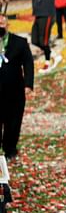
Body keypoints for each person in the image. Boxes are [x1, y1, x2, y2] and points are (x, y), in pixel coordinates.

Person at [0, 14, 34, 160]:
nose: (0, 24)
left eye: (2, 22)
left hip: (14, 90)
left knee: (13, 122)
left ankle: (10, 149)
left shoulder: (19, 42)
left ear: (8, 25)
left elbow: (28, 63)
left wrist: (28, 84)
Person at [32, 0, 61, 74]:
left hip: (47, 14)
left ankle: (48, 63)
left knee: (43, 42)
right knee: (34, 40)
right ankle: (54, 54)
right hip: (38, 15)